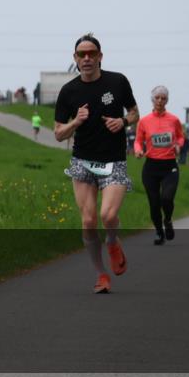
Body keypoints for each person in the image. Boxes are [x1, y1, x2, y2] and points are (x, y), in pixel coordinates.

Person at [54, 33, 139, 294]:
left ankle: (112, 241)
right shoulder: (69, 91)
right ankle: (101, 274)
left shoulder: (118, 81)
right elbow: (58, 133)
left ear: (101, 56)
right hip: (83, 161)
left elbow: (135, 112)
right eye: (82, 54)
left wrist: (123, 122)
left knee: (108, 215)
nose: (87, 58)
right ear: (75, 59)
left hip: (114, 161)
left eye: (92, 53)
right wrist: (75, 122)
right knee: (89, 220)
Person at [134, 86, 185, 245]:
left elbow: (180, 137)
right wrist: (138, 150)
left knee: (167, 198)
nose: (160, 101)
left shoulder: (174, 120)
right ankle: (158, 231)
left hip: (169, 166)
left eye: (163, 98)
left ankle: (168, 220)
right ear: (152, 99)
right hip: (151, 167)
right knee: (154, 202)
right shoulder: (144, 121)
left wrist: (178, 145)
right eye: (157, 98)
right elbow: (137, 140)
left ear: (167, 100)